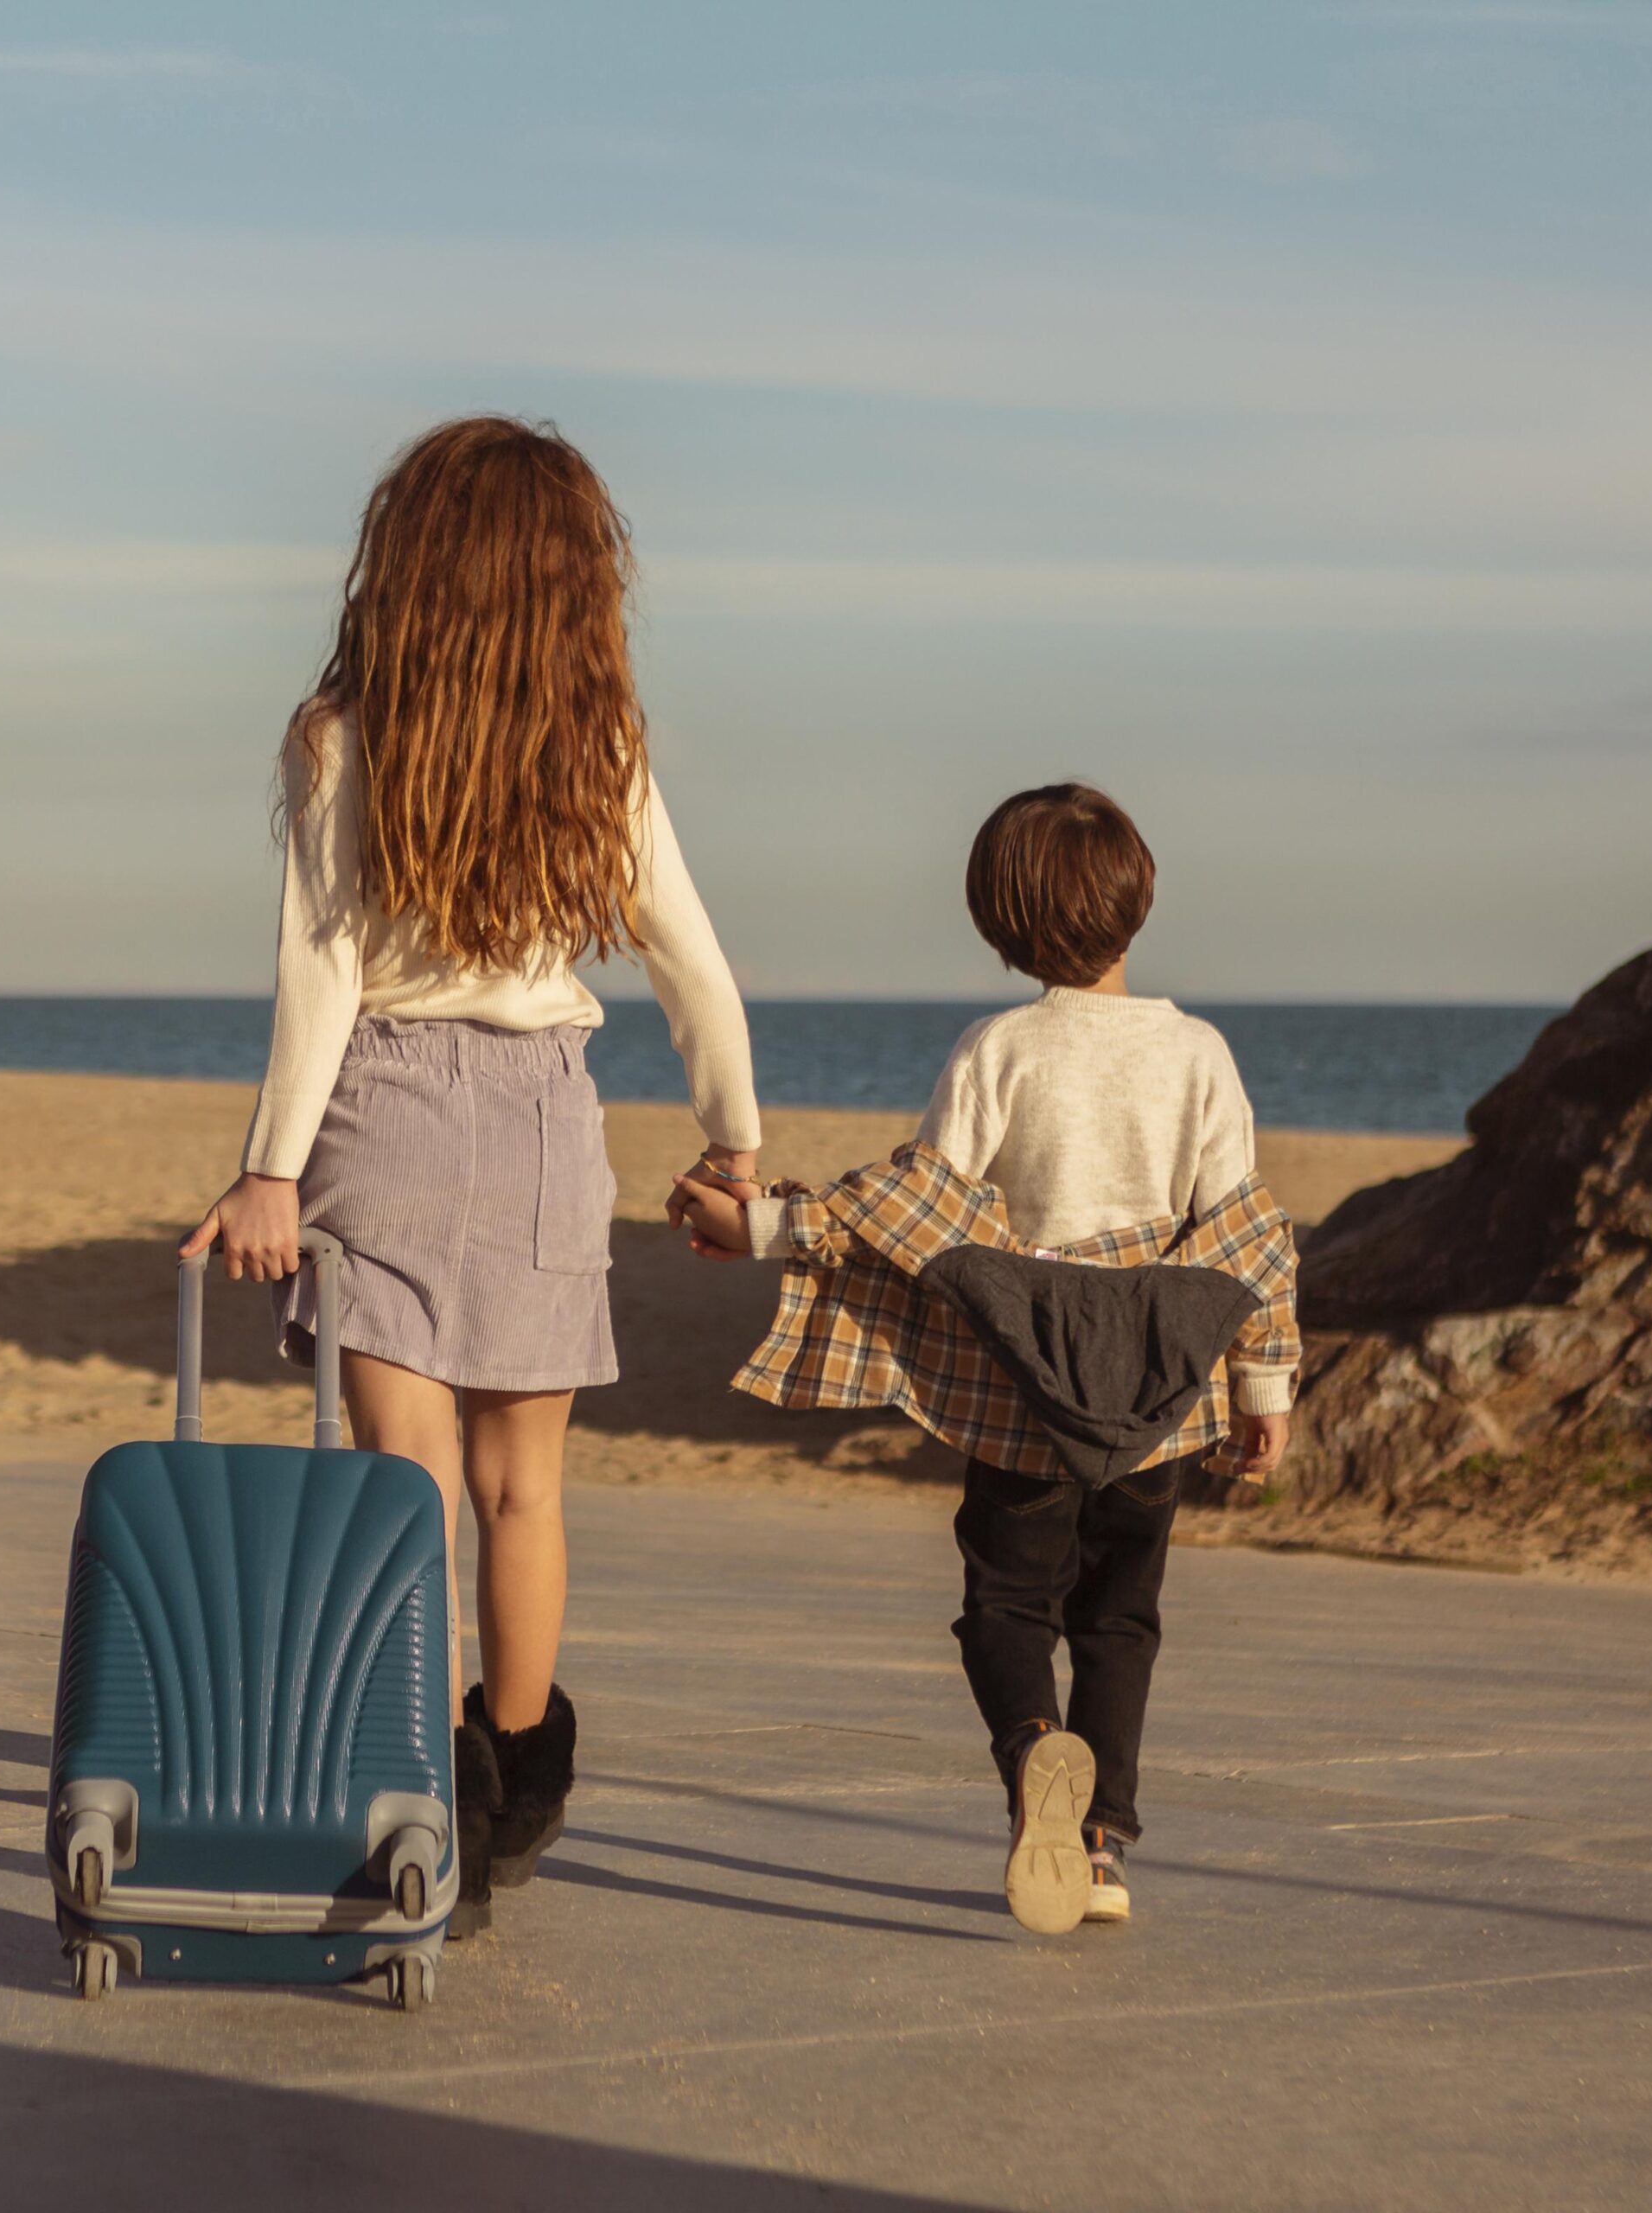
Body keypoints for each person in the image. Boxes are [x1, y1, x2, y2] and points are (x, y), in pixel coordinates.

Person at [185, 416, 762, 1936]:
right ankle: (512, 1782)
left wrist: (269, 1169)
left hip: (380, 1115)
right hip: (543, 1128)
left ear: (409, 564)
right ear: (577, 586)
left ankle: (413, 1790)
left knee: (404, 1487)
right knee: (525, 1489)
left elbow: (319, 973)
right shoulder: (602, 747)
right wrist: (734, 1131)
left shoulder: (341, 736)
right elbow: (688, 955)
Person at [673, 783, 1298, 1936]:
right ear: (1138, 899)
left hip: (1023, 1396)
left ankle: (1029, 1756)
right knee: (1121, 1615)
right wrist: (1263, 1393)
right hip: (1150, 1398)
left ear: (1001, 924)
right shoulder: (1200, 1055)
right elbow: (1242, 1236)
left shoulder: (999, 1050)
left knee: (1005, 1602)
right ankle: (1102, 1841)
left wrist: (760, 1224)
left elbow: (916, 1208)